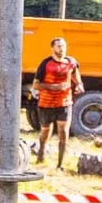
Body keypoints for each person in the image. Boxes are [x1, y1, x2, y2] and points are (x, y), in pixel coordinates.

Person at [31, 36, 84, 166]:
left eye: (64, 46)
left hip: (64, 102)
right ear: (53, 48)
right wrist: (52, 87)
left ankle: (59, 164)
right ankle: (41, 155)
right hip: (46, 103)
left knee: (63, 131)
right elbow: (36, 85)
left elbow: (75, 73)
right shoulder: (45, 64)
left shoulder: (71, 62)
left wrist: (79, 84)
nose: (62, 49)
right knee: (45, 131)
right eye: (59, 46)